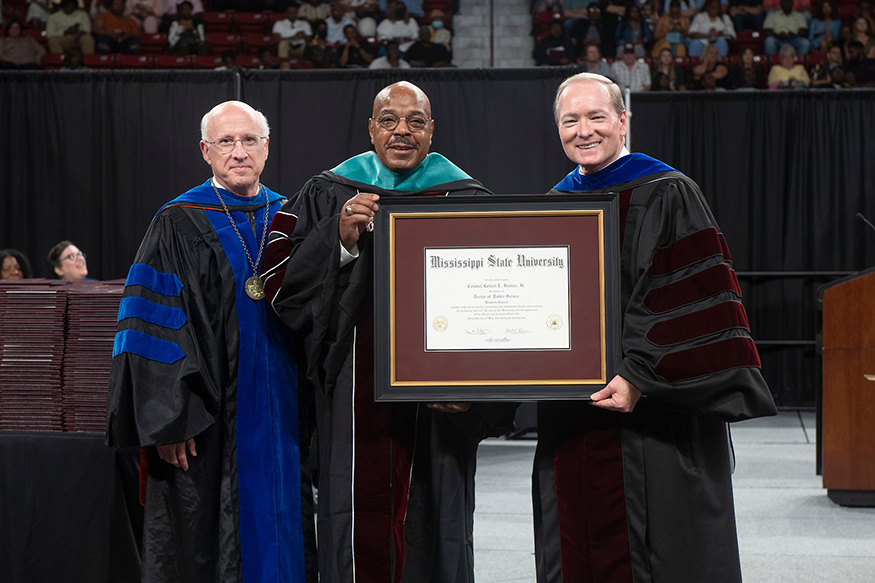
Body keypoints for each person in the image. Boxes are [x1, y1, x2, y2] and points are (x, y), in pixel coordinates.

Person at [260, 81, 516, 583]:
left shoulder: (464, 197)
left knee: (436, 513)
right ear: (371, 129)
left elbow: (499, 303)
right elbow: (276, 283)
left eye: (415, 121)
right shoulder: (330, 193)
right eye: (390, 120)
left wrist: (478, 388)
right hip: (354, 395)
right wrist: (336, 240)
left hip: (440, 401)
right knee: (355, 514)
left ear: (432, 131)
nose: (402, 131)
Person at [535, 71, 777, 583]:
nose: (584, 131)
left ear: (623, 121)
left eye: (597, 117)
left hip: (656, 417)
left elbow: (688, 294)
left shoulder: (668, 192)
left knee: (664, 549)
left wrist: (640, 374)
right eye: (570, 120)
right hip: (575, 412)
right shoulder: (555, 202)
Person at [106, 100, 313, 583]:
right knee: (199, 535)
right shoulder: (178, 222)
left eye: (249, 141)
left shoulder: (290, 217)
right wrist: (167, 419)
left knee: (285, 521)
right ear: (205, 150)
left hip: (282, 408)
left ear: (266, 147)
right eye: (226, 141)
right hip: (206, 418)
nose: (238, 152)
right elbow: (149, 325)